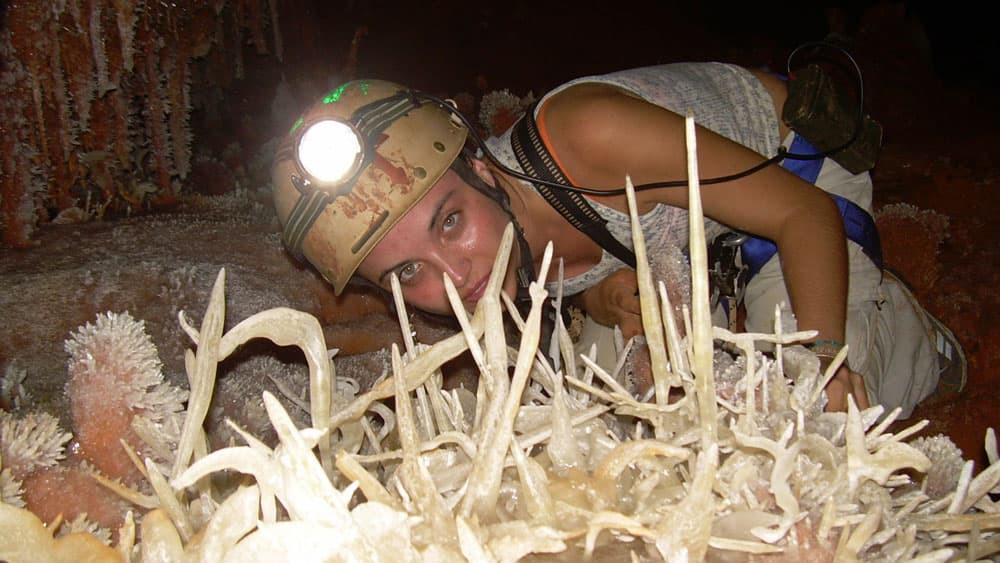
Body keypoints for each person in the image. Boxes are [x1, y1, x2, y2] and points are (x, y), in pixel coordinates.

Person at [271, 62, 965, 417]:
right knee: (610, 412)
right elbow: (580, 271)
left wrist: (823, 360)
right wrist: (600, 297)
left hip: (790, 181)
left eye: (449, 220)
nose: (456, 275)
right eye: (409, 273)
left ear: (481, 168)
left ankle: (914, 344)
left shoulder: (584, 138)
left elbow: (804, 215)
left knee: (804, 410)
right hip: (676, 240)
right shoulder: (495, 250)